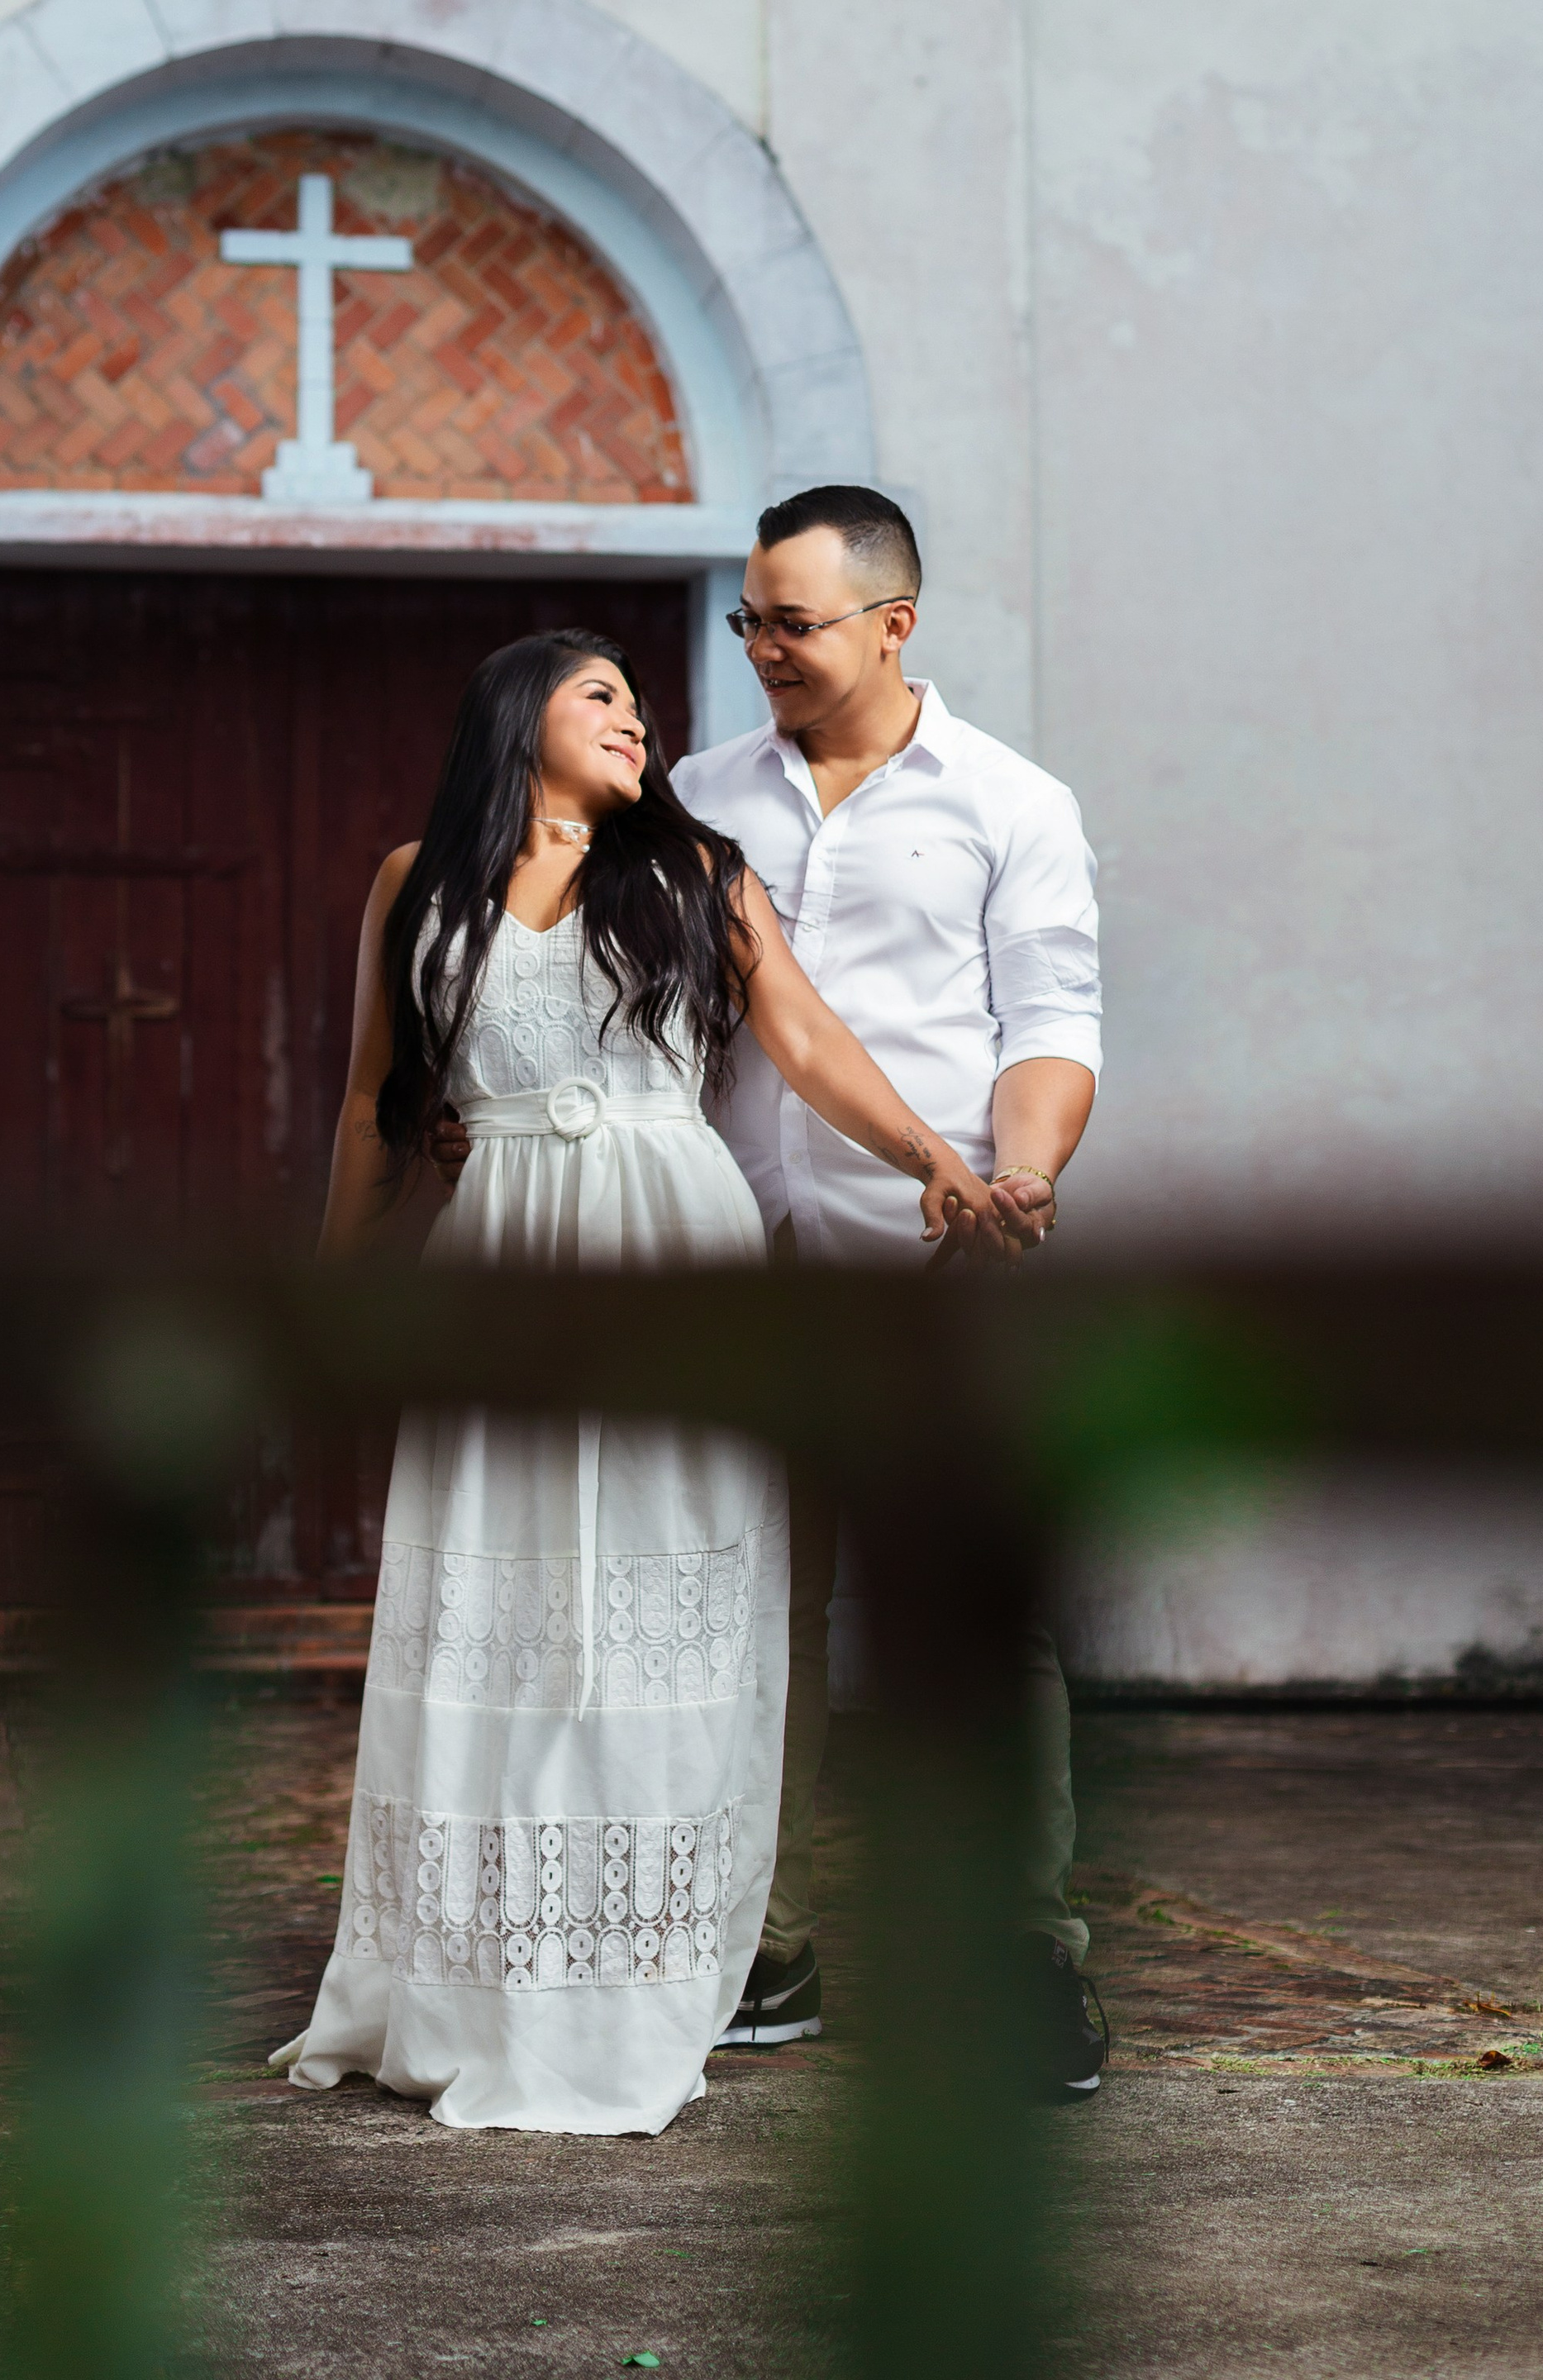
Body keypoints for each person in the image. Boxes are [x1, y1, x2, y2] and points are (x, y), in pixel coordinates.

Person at [275, 627, 993, 2135]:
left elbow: (800, 1038)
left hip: (671, 1241)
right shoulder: (415, 880)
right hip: (503, 1251)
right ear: (516, 710)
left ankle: (641, 1973)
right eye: (601, 691)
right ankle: (486, 1976)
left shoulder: (696, 867)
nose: (636, 716)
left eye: (639, 701)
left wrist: (939, 1158)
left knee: (658, 1609)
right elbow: (371, 1104)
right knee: (509, 1606)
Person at [673, 485, 1108, 2098]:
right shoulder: (695, 797)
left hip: (936, 1257)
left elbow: (1050, 1018)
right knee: (747, 1617)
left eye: (791, 620)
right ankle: (762, 1949)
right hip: (733, 1257)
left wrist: (1026, 1172)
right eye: (749, 621)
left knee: (977, 1626)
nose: (763, 648)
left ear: (890, 621)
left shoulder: (1010, 801)